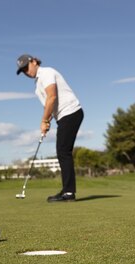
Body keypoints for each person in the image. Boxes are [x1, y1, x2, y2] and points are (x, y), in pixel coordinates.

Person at [16, 54, 84, 202]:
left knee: (63, 152)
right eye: (23, 71)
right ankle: (67, 191)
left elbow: (52, 97)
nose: (26, 72)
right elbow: (50, 104)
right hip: (64, 115)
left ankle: (69, 193)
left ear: (34, 62)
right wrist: (47, 121)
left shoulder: (46, 73)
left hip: (71, 112)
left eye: (26, 67)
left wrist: (44, 120)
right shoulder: (37, 84)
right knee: (62, 151)